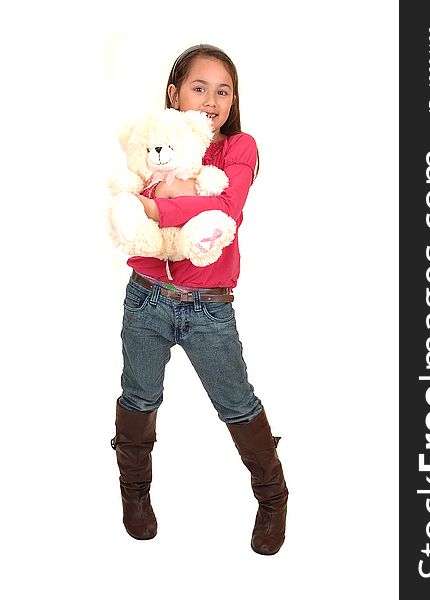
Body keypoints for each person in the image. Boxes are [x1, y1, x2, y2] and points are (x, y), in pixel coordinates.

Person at [110, 44, 288, 555]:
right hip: (146, 298)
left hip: (208, 306)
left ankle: (273, 496)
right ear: (174, 93)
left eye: (222, 91)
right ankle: (134, 494)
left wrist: (159, 201)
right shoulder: (155, 140)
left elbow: (226, 208)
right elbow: (129, 200)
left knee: (236, 404)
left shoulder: (238, 148)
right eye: (198, 87)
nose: (211, 100)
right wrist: (147, 202)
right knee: (138, 398)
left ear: (233, 101)